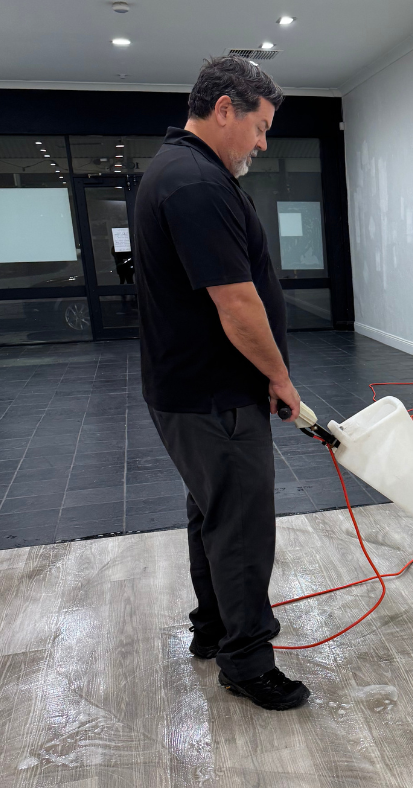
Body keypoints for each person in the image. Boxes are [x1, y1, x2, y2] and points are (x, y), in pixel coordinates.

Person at [134, 56, 309, 711]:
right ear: (225, 108)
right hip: (213, 397)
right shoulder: (198, 184)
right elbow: (236, 303)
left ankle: (213, 631)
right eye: (260, 127)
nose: (263, 144)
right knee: (240, 528)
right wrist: (280, 377)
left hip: (189, 391)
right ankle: (247, 661)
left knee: (212, 514)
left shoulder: (176, 170)